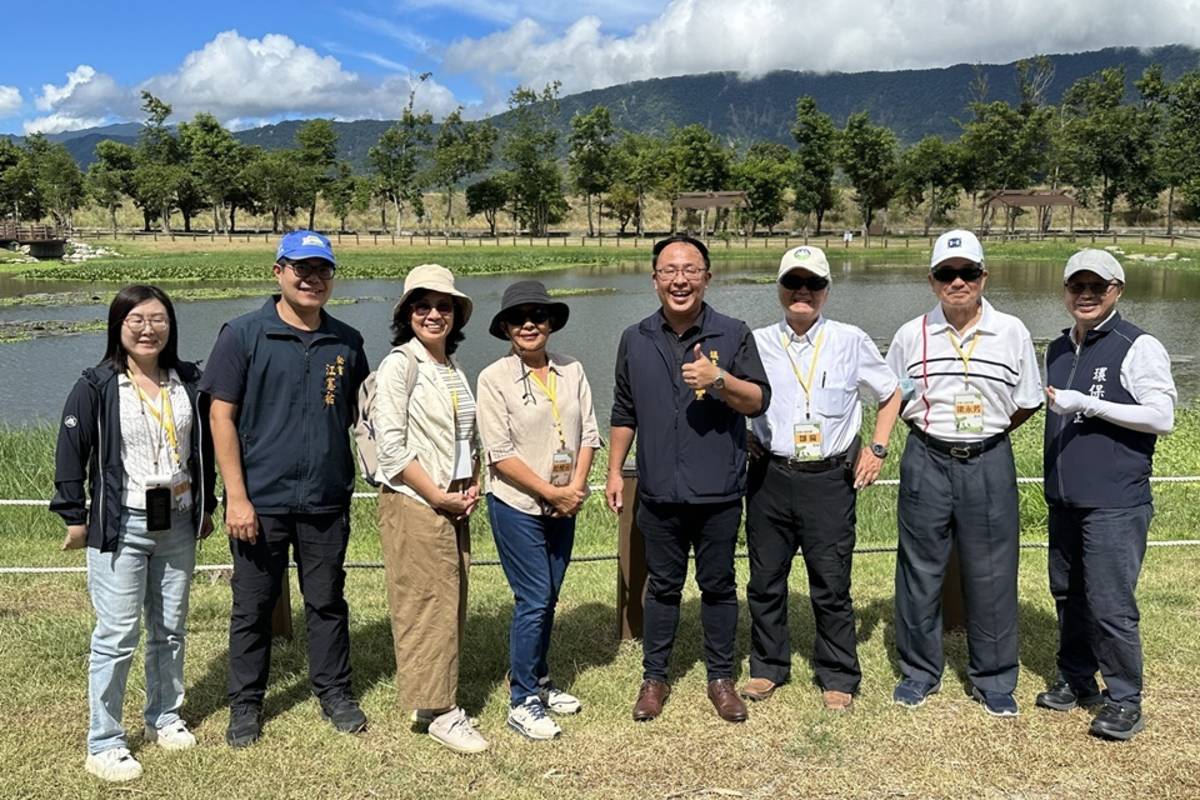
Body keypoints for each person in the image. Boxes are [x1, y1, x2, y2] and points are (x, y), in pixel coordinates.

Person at [200, 230, 370, 747]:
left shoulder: (347, 341)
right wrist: (237, 496)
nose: (311, 278)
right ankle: (246, 703)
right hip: (261, 500)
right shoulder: (243, 334)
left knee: (326, 601)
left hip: (325, 497)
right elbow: (220, 416)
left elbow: (361, 416)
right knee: (252, 604)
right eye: (301, 268)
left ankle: (334, 691)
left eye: (322, 270)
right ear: (278, 272)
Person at [52, 285, 216, 782]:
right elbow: (69, 452)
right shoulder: (97, 385)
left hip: (180, 521)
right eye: (136, 320)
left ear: (171, 325)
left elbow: (203, 449)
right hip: (121, 523)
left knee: (170, 627)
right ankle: (103, 741)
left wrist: (208, 506)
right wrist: (75, 516)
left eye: (159, 319)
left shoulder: (187, 380)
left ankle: (165, 716)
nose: (149, 329)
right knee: (117, 634)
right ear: (118, 326)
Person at [605, 235, 770, 724]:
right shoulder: (635, 338)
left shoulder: (733, 333)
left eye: (691, 269)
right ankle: (654, 678)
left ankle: (721, 678)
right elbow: (623, 410)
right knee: (661, 587)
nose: (680, 280)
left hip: (718, 490)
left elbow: (758, 400)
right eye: (669, 270)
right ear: (654, 278)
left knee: (718, 586)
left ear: (707, 277)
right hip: (658, 491)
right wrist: (615, 470)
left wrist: (718, 380)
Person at [886, 229, 1042, 717]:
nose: (958, 282)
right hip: (926, 456)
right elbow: (894, 397)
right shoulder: (912, 333)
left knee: (993, 570)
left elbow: (1027, 400)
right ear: (932, 282)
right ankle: (918, 673)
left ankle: (994, 678)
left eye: (968, 272)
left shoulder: (1013, 331)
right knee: (919, 568)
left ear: (983, 276)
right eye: (946, 274)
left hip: (989, 458)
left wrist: (986, 435)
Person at [742, 246, 901, 712]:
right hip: (769, 475)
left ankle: (838, 674)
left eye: (813, 284)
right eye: (793, 283)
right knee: (765, 579)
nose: (803, 293)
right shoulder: (754, 341)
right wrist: (742, 436)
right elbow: (729, 394)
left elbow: (891, 394)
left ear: (827, 291)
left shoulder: (851, 340)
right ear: (780, 290)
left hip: (830, 478)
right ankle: (768, 666)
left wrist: (877, 448)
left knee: (830, 582)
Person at [1039, 249, 1176, 741]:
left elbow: (1162, 417)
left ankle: (1124, 699)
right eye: (1077, 286)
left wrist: (1092, 405)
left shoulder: (1137, 345)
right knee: (1068, 594)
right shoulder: (1056, 349)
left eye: (1098, 286)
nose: (1087, 295)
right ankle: (1077, 680)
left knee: (1110, 602)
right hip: (1065, 498)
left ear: (1117, 290)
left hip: (1116, 501)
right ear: (1065, 291)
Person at [476, 280, 602, 740]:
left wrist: (575, 488)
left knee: (549, 594)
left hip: (565, 502)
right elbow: (499, 453)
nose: (529, 324)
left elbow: (589, 433)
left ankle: (541, 681)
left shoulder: (573, 369)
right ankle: (522, 698)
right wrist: (552, 494)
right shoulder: (492, 378)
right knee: (533, 597)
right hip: (518, 504)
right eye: (518, 318)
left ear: (551, 323)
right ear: (507, 328)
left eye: (538, 316)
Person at [373, 264, 487, 754]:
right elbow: (392, 448)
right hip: (418, 500)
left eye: (444, 306)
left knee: (447, 600)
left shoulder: (450, 367)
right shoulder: (401, 364)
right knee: (427, 605)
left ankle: (430, 698)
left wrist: (473, 481)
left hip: (450, 500)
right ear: (407, 314)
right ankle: (442, 712)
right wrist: (438, 495)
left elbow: (465, 436)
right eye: (423, 305)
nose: (434, 314)